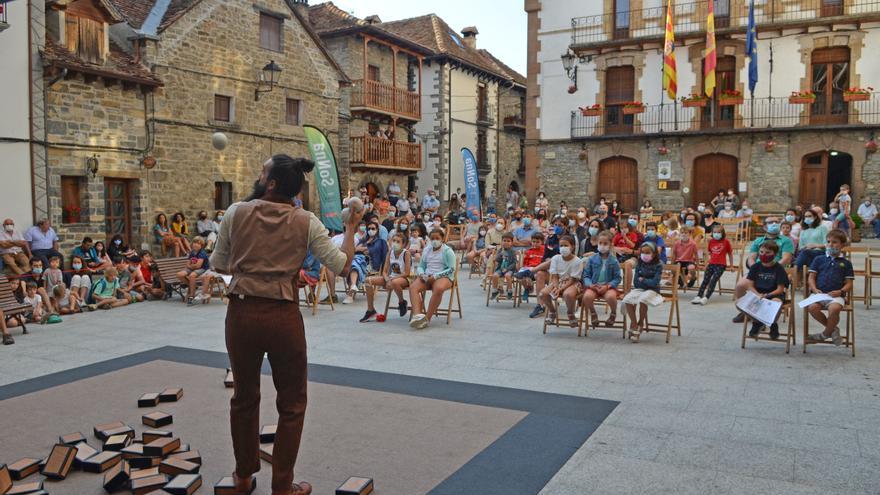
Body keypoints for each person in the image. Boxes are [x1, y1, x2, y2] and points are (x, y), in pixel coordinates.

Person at [211, 154, 360, 495]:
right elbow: (341, 265)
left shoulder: (236, 212)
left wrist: (250, 262)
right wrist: (351, 226)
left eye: (262, 172)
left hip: (242, 313)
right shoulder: (306, 221)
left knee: (244, 397)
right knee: (292, 403)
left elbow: (218, 264)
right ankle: (282, 486)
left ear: (272, 183)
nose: (258, 175)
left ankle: (244, 476)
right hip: (283, 316)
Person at [733, 215, 795, 322]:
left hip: (778, 271)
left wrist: (771, 268)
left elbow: (786, 259)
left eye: (776, 221)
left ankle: (764, 315)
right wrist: (756, 269)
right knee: (740, 285)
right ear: (765, 227)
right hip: (758, 270)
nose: (774, 224)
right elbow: (751, 258)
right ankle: (745, 312)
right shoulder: (758, 241)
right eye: (771, 222)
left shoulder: (786, 240)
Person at [805, 229, 853, 345]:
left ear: (842, 245)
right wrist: (815, 290)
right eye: (828, 241)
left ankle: (825, 334)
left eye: (835, 242)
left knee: (834, 309)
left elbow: (849, 283)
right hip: (819, 294)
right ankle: (833, 329)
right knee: (812, 308)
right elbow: (811, 278)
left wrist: (841, 291)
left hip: (836, 295)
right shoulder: (819, 259)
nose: (830, 244)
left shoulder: (846, 263)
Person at [408, 228, 457, 330]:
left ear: (442, 239)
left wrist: (435, 276)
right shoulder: (426, 250)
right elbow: (421, 265)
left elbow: (452, 269)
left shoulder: (448, 251)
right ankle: (418, 316)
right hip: (427, 275)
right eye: (432, 238)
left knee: (438, 288)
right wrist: (421, 274)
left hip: (444, 276)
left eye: (437, 238)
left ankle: (427, 318)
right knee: (413, 287)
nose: (435, 240)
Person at [744, 241, 789, 339]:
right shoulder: (755, 267)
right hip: (757, 293)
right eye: (761, 252)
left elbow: (780, 289)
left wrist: (767, 295)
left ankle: (773, 324)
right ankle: (757, 323)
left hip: (774, 294)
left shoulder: (779, 268)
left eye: (768, 252)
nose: (764, 255)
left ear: (775, 254)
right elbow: (749, 286)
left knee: (775, 303)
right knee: (741, 304)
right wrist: (758, 294)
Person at [361, 233, 411, 322]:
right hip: (391, 278)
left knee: (395, 282)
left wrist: (391, 280)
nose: (395, 243)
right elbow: (384, 271)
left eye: (398, 242)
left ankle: (401, 302)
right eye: (394, 241)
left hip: (404, 278)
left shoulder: (406, 253)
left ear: (403, 244)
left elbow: (407, 273)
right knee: (368, 280)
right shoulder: (390, 252)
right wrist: (387, 279)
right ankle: (370, 310)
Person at [539, 235, 584, 328]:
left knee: (568, 294)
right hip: (559, 281)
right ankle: (552, 311)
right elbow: (554, 276)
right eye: (561, 245)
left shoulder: (577, 261)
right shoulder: (556, 258)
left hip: (572, 283)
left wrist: (560, 289)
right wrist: (556, 287)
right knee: (543, 293)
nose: (563, 248)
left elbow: (572, 279)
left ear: (572, 246)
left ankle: (570, 313)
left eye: (566, 245)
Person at [622, 242, 664, 342]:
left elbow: (655, 282)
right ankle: (635, 325)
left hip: (653, 290)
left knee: (643, 299)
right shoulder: (639, 263)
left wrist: (644, 280)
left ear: (653, 254)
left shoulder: (659, 264)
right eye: (642, 252)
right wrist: (644, 281)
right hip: (640, 289)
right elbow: (636, 282)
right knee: (627, 299)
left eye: (647, 252)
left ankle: (641, 323)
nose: (644, 255)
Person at [581, 231, 622, 329]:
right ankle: (593, 312)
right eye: (600, 243)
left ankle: (613, 313)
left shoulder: (613, 261)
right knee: (586, 297)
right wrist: (590, 285)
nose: (602, 246)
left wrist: (607, 286)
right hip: (594, 285)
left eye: (605, 244)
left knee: (611, 297)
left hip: (608, 286)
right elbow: (586, 275)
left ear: (610, 245)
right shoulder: (592, 259)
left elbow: (617, 278)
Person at [344, 220, 387, 305]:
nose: (371, 230)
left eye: (373, 228)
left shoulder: (380, 241)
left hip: (371, 264)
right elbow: (354, 250)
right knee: (355, 262)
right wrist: (361, 249)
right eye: (369, 228)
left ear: (377, 230)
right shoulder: (363, 240)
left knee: (355, 262)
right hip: (360, 261)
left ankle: (350, 294)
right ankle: (353, 286)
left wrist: (361, 249)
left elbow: (371, 251)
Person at [691, 224, 733, 305]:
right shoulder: (711, 241)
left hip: (721, 265)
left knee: (713, 281)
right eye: (715, 232)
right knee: (705, 280)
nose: (716, 234)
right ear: (712, 233)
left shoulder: (726, 242)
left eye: (719, 232)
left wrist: (731, 266)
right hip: (711, 263)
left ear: (722, 233)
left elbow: (730, 254)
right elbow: (709, 253)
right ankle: (699, 296)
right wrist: (706, 263)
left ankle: (706, 297)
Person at [794, 207, 829, 287]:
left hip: (820, 252)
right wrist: (806, 247)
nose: (807, 218)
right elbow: (800, 246)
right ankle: (804, 280)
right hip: (806, 253)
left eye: (809, 216)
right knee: (804, 253)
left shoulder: (822, 228)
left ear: (815, 217)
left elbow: (827, 244)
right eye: (805, 217)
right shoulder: (803, 231)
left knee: (804, 254)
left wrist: (815, 245)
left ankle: (793, 275)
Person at [176, 236, 210, 305]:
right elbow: (187, 264)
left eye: (198, 243)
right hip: (192, 268)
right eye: (194, 243)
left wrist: (191, 266)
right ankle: (193, 286)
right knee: (179, 274)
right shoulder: (192, 252)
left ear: (201, 245)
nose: (195, 244)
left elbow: (198, 266)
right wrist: (191, 266)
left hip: (202, 269)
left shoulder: (202, 253)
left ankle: (192, 294)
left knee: (192, 275)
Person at [513, 233, 546, 303]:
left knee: (532, 274)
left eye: (537, 242)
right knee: (520, 275)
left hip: (539, 269)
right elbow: (525, 263)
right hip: (529, 268)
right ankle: (527, 288)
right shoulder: (529, 251)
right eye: (533, 242)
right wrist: (525, 267)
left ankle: (529, 286)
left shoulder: (544, 250)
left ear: (542, 242)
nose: (535, 244)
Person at [490, 233, 518, 300]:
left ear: (511, 243)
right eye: (504, 240)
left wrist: (507, 269)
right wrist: (500, 254)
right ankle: (495, 291)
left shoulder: (512, 252)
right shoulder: (500, 250)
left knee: (507, 276)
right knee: (495, 276)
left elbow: (514, 263)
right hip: (501, 268)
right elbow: (496, 260)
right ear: (501, 241)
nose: (506, 242)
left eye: (508, 241)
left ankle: (509, 291)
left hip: (510, 269)